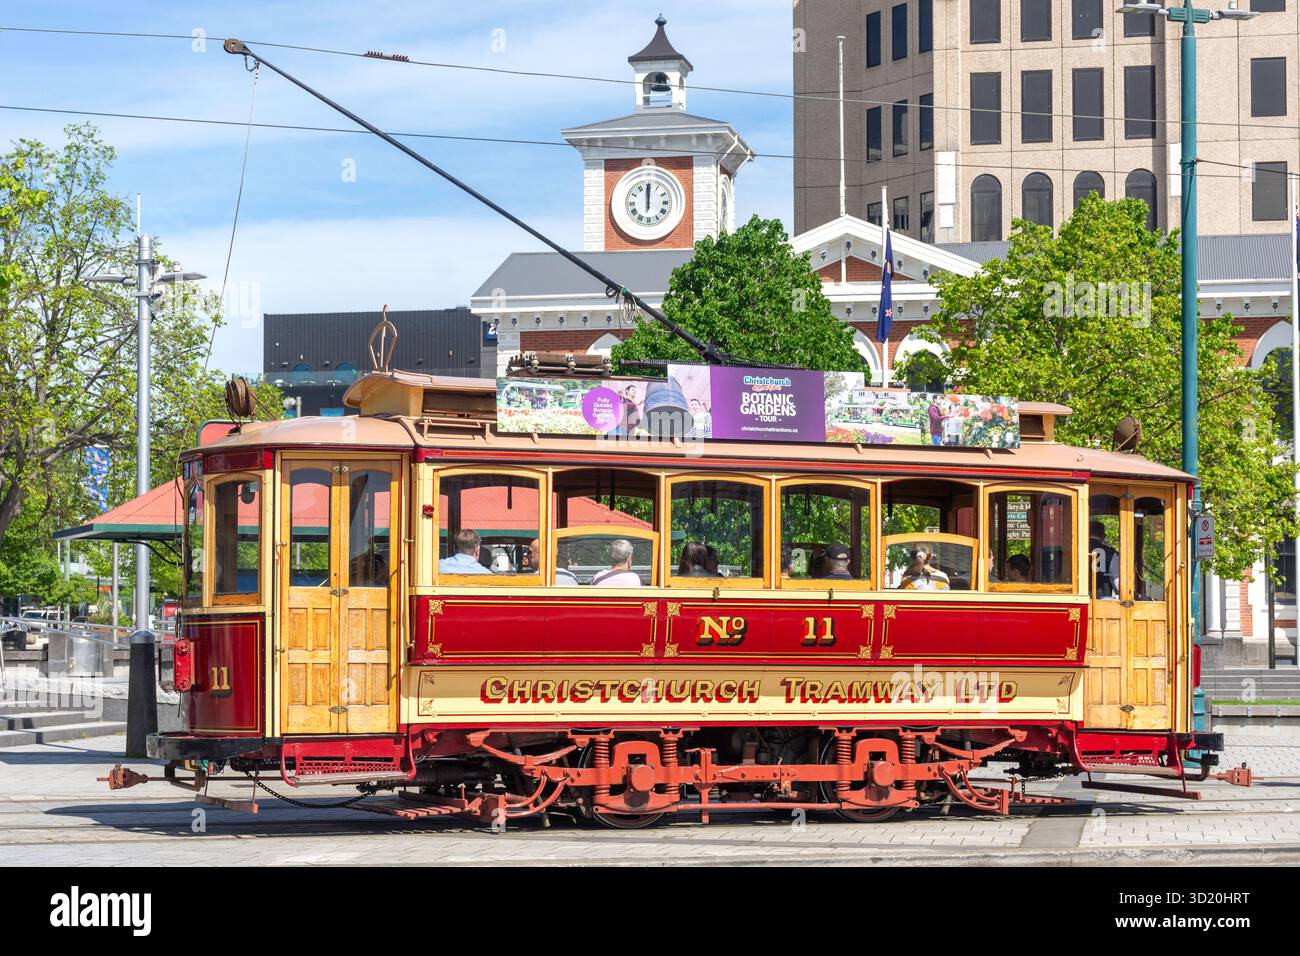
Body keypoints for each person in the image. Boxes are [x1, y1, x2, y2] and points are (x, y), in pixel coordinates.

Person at [1089, 520, 1120, 599]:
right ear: (1103, 536)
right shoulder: (1111, 553)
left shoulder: (1075, 552)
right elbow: (1118, 586)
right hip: (1103, 602)